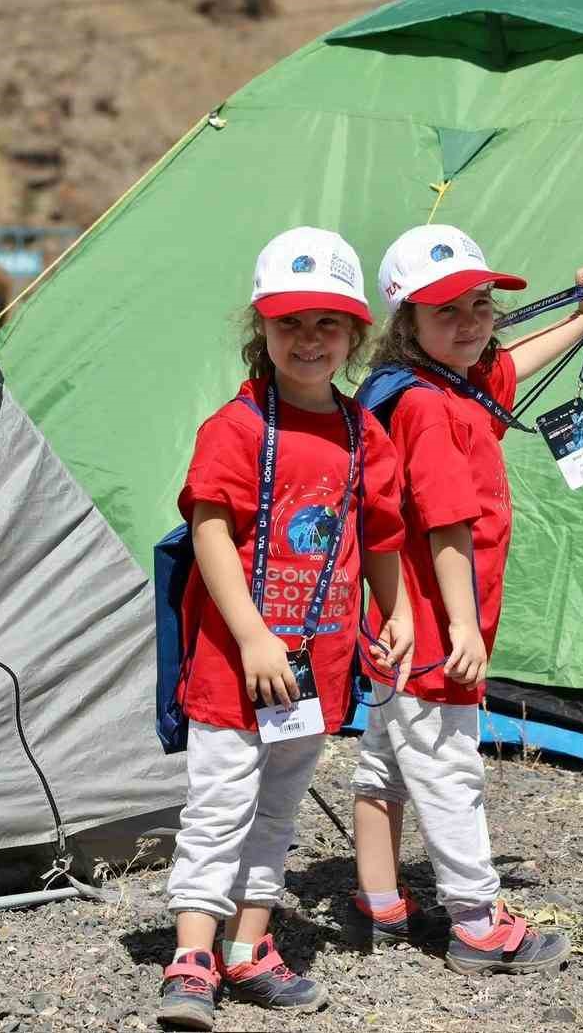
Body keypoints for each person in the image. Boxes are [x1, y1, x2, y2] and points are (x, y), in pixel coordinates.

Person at [156, 227, 414, 1031]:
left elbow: (379, 538)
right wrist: (254, 635)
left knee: (278, 809)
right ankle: (193, 955)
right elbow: (208, 532)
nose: (308, 340)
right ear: (259, 331)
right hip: (236, 668)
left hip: (318, 665)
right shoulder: (233, 429)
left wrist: (396, 613)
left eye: (327, 325)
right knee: (219, 805)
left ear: (354, 337)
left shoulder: (363, 435)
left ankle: (250, 945)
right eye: (290, 323)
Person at [348, 224, 583, 974]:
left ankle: (379, 901)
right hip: (432, 625)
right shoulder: (427, 409)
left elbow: (505, 367)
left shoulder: (431, 384)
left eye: (480, 306)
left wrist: (582, 321)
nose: (469, 325)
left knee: (387, 761)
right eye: (446, 312)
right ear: (408, 324)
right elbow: (445, 523)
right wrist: (462, 623)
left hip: (393, 625)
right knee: (448, 765)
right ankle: (475, 920)